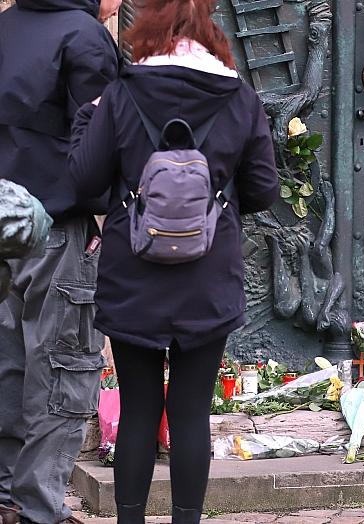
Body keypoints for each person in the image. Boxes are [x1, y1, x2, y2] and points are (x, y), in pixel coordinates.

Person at [67, 0, 279, 521]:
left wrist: (87, 118)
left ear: (147, 30)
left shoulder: (120, 95)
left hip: (133, 273)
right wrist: (214, 207)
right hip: (208, 274)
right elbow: (265, 189)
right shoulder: (240, 97)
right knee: (190, 412)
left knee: (139, 408)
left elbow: (85, 183)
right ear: (212, 35)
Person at [0, 0, 120, 522]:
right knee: (62, 369)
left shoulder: (6, 26)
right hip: (56, 224)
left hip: (5, 219)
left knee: (8, 366)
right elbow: (100, 139)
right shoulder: (85, 36)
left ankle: (6, 496)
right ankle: (38, 510)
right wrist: (105, 213)